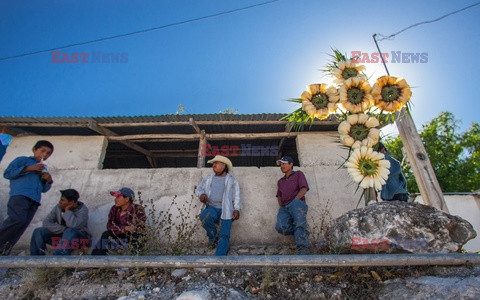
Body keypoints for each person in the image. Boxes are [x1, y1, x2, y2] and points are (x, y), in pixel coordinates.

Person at [0, 140, 54, 255]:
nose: (44, 155)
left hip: (34, 201)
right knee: (16, 220)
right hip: (20, 196)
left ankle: (3, 252)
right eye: (42, 151)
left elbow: (44, 189)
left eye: (48, 153)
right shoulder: (23, 160)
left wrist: (47, 180)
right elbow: (8, 174)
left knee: (20, 228)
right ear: (34, 149)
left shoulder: (43, 168)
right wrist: (29, 168)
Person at [196, 155, 242, 256]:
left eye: (216, 163)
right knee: (204, 216)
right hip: (211, 208)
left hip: (226, 211)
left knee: (224, 235)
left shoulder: (232, 180)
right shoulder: (208, 178)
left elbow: (237, 196)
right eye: (213, 164)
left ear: (223, 165)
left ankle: (218, 261)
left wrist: (237, 209)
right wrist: (201, 194)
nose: (214, 166)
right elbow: (199, 189)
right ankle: (213, 238)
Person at [30, 189, 91, 255]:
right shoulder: (58, 207)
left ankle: (58, 258)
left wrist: (67, 211)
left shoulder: (83, 210)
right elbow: (46, 222)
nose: (60, 202)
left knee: (70, 231)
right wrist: (63, 229)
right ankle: (36, 259)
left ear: (71, 202)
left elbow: (73, 226)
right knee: (38, 231)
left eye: (62, 200)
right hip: (61, 239)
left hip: (80, 240)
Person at [91, 187, 146, 255]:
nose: (115, 199)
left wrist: (126, 229)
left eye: (118, 197)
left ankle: (135, 261)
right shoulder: (114, 209)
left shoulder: (138, 209)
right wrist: (125, 228)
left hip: (132, 237)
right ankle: (96, 259)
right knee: (106, 234)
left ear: (127, 199)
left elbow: (137, 227)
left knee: (137, 235)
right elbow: (110, 226)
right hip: (118, 237)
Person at [275, 156, 310, 255]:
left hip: (297, 204)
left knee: (299, 225)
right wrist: (281, 206)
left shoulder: (298, 174)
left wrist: (295, 201)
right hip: (285, 207)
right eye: (281, 164)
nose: (282, 166)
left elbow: (304, 189)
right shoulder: (280, 181)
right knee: (280, 227)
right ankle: (301, 232)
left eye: (284, 163)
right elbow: (279, 195)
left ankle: (303, 251)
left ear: (291, 164)